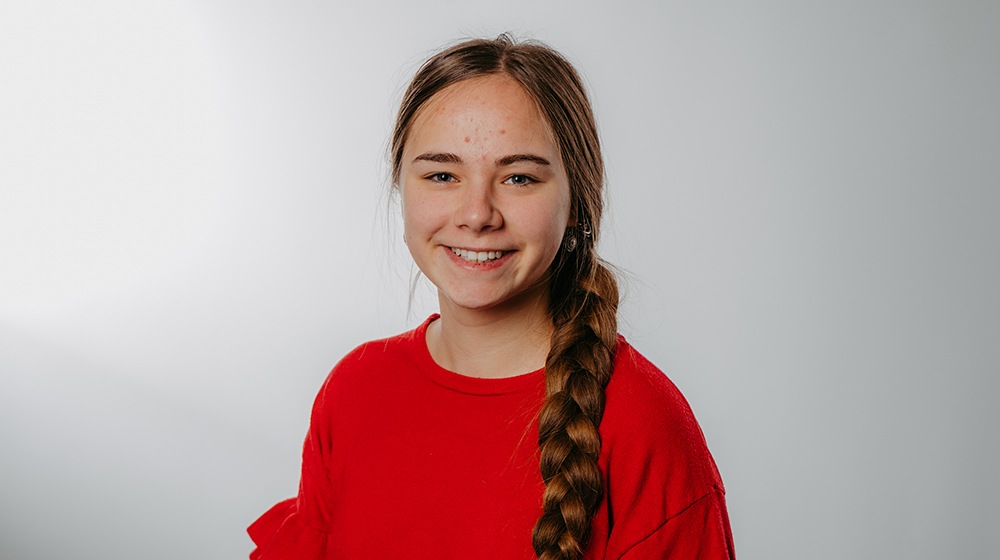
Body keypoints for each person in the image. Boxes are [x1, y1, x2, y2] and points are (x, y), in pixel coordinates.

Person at [248, 35, 735, 560]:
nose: (477, 213)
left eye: (519, 177)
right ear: (402, 188)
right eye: (442, 175)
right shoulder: (353, 391)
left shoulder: (644, 422)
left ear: (576, 202)